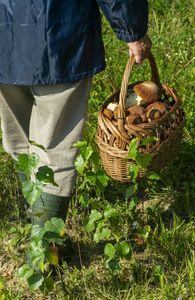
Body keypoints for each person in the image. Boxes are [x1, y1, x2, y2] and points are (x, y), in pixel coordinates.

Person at [0, 1, 151, 226]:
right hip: (60, 34)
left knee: (20, 139)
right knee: (55, 147)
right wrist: (133, 29)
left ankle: (37, 230)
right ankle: (43, 250)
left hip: (5, 30)